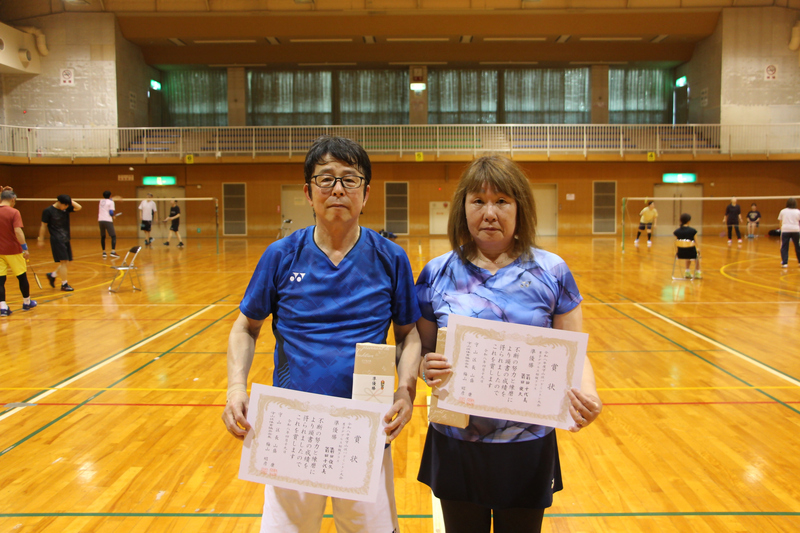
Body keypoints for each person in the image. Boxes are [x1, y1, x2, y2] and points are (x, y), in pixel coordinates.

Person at [221, 135, 422, 533]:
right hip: (293, 426)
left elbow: (409, 334)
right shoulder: (280, 255)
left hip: (366, 425)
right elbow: (246, 326)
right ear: (308, 192)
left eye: (350, 180)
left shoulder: (391, 258)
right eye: (326, 179)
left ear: (366, 192)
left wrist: (405, 390)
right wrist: (235, 388)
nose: (337, 190)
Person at [416, 155, 602, 533]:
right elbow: (421, 350)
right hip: (457, 440)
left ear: (520, 208)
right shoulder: (436, 272)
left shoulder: (552, 271)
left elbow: (574, 352)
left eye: (502, 201)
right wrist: (423, 366)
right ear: (462, 208)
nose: (489, 212)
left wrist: (588, 392)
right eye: (478, 201)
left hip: (526, 443)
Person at [0, 187, 37, 315]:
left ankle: (3, 307)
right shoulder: (14, 212)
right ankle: (27, 302)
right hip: (13, 251)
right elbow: (18, 231)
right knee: (22, 277)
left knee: (0, 280)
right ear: (13, 199)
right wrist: (25, 248)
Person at [38, 194, 82, 292]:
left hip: (66, 238)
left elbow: (79, 207)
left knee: (66, 262)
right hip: (56, 239)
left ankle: (52, 275)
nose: (66, 207)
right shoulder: (48, 211)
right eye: (65, 205)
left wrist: (70, 201)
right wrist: (40, 239)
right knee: (63, 261)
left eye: (67, 205)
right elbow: (43, 226)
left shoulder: (66, 209)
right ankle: (64, 284)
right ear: (59, 202)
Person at [673, 213, 702, 279]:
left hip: (680, 253)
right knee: (696, 255)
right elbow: (696, 243)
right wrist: (698, 249)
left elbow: (676, 242)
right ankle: (697, 272)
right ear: (689, 221)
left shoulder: (677, 231)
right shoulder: (693, 231)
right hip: (691, 253)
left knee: (687, 252)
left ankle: (687, 271)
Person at [777, 198, 800, 268]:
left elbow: (780, 222)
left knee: (784, 246)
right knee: (798, 246)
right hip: (796, 230)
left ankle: (785, 262)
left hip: (785, 230)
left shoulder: (783, 211)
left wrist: (782, 229)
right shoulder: (798, 211)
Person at [98, 190, 120, 259]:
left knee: (103, 236)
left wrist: (114, 198)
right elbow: (111, 212)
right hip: (107, 220)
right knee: (113, 236)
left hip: (100, 220)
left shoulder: (101, 201)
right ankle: (113, 252)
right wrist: (113, 216)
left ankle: (104, 252)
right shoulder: (111, 202)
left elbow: (108, 200)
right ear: (110, 195)